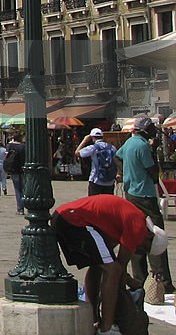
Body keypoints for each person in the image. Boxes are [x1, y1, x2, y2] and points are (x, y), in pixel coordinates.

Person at [53, 194, 167, 335]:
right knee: (112, 270)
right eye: (144, 248)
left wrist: (127, 281)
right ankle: (106, 329)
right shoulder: (139, 227)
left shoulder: (130, 220)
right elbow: (119, 267)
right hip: (74, 219)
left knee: (98, 266)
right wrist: (132, 283)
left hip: (63, 217)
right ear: (150, 237)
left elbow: (109, 261)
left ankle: (93, 319)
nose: (139, 250)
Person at [116, 115, 174, 292]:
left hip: (131, 193)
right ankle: (161, 280)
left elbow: (117, 157)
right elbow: (154, 173)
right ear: (145, 129)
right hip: (145, 195)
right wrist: (153, 150)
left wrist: (124, 173)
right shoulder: (142, 146)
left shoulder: (129, 143)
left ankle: (139, 278)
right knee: (156, 234)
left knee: (136, 233)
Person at [78, 128, 118, 197]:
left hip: (96, 180)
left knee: (93, 204)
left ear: (92, 137)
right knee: (107, 204)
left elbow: (77, 153)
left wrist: (85, 140)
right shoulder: (112, 147)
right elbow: (117, 161)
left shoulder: (93, 148)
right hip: (110, 181)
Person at [5, 131, 26, 214]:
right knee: (24, 189)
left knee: (17, 189)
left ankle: (20, 208)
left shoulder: (10, 146)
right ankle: (24, 205)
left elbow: (6, 157)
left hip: (14, 170)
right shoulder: (24, 146)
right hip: (23, 169)